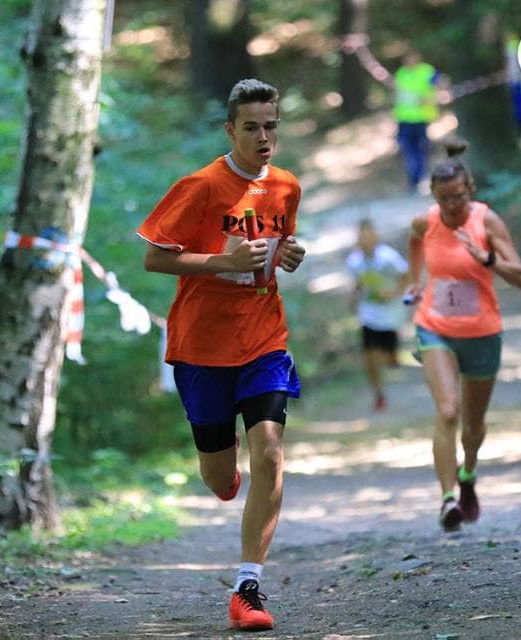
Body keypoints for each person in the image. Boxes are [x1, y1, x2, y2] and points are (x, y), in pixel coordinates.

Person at [137, 78, 306, 631]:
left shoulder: (286, 186)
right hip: (203, 346)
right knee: (218, 478)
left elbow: (275, 246)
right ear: (230, 130)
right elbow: (155, 260)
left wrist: (287, 254)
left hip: (263, 338)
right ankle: (224, 472)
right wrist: (221, 261)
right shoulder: (201, 186)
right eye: (251, 127)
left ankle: (247, 587)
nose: (263, 137)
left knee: (271, 454)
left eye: (271, 126)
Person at [404, 140, 521, 532]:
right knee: (447, 411)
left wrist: (486, 258)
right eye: (444, 199)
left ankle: (468, 473)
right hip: (435, 327)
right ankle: (447, 500)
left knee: (473, 427)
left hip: (482, 332)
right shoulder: (426, 221)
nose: (452, 205)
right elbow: (414, 241)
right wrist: (414, 281)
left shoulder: (487, 222)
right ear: (434, 196)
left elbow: (520, 276)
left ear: (469, 189)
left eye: (458, 196)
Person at [346, 219, 409, 411]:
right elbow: (359, 281)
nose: (365, 241)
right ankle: (378, 394)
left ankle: (392, 355)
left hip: (390, 315)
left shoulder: (388, 258)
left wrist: (394, 293)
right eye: (361, 238)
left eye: (369, 237)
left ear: (376, 238)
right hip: (369, 315)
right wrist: (354, 300)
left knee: (390, 359)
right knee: (369, 356)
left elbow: (406, 276)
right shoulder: (354, 261)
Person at [393, 50, 440, 193]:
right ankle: (414, 178)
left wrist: (429, 99)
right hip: (404, 118)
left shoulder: (427, 71)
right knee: (407, 149)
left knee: (421, 148)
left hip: (421, 117)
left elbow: (442, 85)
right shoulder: (401, 73)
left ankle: (421, 176)